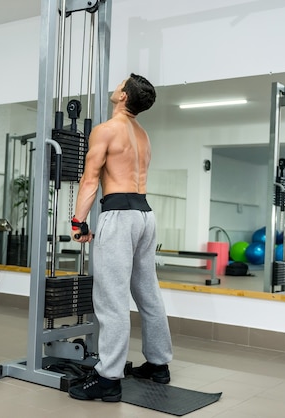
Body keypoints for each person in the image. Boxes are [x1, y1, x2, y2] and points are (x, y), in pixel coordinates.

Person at [68, 74, 173, 402]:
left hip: (119, 215)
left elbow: (90, 180)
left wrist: (77, 222)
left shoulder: (106, 130)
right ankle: (159, 365)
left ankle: (108, 378)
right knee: (148, 293)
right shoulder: (142, 135)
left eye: (121, 84)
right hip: (145, 216)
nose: (117, 85)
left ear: (124, 96)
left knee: (110, 299)